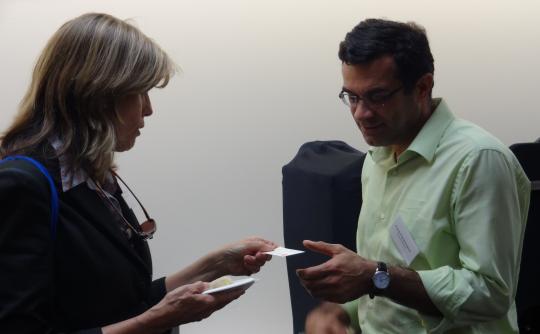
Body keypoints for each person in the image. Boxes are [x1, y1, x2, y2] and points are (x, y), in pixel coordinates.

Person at [0, 13, 277, 334]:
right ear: (101, 95)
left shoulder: (94, 177)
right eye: (141, 92)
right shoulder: (21, 185)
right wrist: (160, 319)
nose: (148, 109)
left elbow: (124, 302)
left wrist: (213, 267)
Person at [297, 18, 531, 333]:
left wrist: (373, 277)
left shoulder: (478, 160)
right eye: (351, 97)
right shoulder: (377, 158)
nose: (360, 113)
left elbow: (490, 294)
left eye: (377, 97)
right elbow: (384, 270)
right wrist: (342, 312)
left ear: (422, 87)